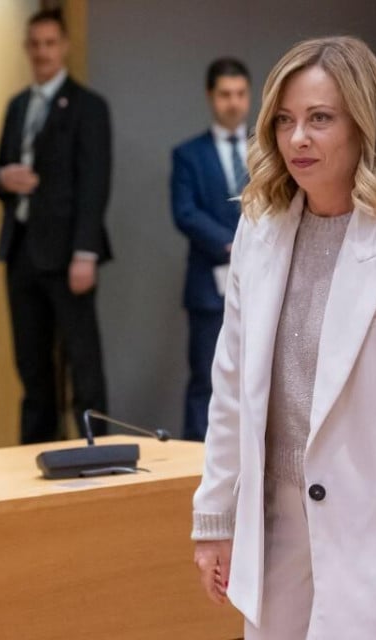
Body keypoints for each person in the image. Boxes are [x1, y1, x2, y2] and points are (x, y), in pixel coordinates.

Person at [191, 36, 376, 639]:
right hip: (273, 533)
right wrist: (215, 517)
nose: (298, 138)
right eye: (285, 121)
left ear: (364, 125)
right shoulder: (259, 231)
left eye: (320, 119)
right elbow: (230, 391)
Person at [0, 8, 111, 444]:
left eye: (50, 43)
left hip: (68, 257)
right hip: (21, 250)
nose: (42, 52)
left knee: (83, 365)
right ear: (27, 48)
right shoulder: (17, 105)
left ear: (64, 47)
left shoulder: (88, 107)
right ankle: (34, 455)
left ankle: (97, 455)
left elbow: (95, 184)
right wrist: (1, 178)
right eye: (35, 44)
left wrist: (85, 252)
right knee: (32, 366)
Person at [171, 58, 251, 441]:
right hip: (209, 283)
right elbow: (184, 213)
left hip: (264, 279)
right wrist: (230, 243)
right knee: (206, 376)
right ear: (210, 97)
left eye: (240, 94)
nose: (233, 103)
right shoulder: (188, 154)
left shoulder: (270, 150)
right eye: (225, 95)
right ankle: (193, 467)